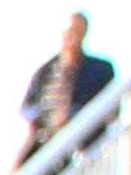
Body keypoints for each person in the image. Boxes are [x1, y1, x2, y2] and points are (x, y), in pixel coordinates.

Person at [22, 10, 113, 159]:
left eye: (78, 31)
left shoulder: (101, 69)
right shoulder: (45, 71)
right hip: (46, 143)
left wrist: (71, 115)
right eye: (70, 31)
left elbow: (107, 103)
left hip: (84, 144)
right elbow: (27, 107)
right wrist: (47, 117)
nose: (73, 36)